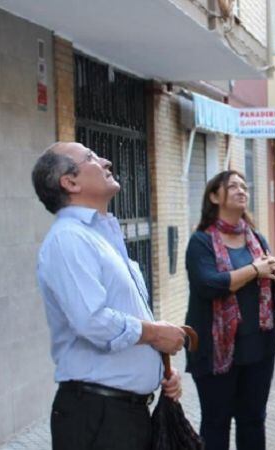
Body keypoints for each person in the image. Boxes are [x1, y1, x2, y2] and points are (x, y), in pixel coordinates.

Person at [32, 142, 186, 450]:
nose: (106, 161)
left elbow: (124, 313)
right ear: (70, 182)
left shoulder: (100, 236)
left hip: (124, 414)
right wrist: (157, 335)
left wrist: (160, 367)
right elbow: (93, 322)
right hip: (98, 418)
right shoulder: (68, 239)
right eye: (90, 158)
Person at [184, 170, 275, 450]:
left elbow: (267, 279)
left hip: (258, 347)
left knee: (253, 421)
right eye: (233, 186)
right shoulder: (201, 242)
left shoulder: (256, 239)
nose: (242, 190)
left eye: (244, 186)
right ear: (214, 196)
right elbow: (209, 284)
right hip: (214, 348)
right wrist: (255, 270)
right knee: (216, 423)